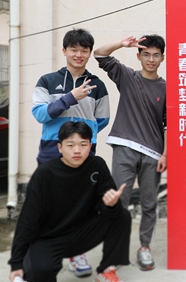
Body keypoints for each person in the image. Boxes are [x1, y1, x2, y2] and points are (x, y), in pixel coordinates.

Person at [8, 121, 130, 282]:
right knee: (39, 273)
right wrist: (16, 263)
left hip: (82, 233)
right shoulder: (45, 173)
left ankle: (106, 271)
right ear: (60, 147)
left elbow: (110, 211)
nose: (77, 150)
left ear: (90, 146)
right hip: (49, 238)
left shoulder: (97, 165)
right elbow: (28, 219)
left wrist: (112, 205)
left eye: (83, 144)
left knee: (122, 216)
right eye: (70, 145)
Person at [31, 28, 110, 277]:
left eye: (84, 50)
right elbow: (40, 114)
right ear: (64, 51)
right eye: (74, 49)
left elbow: (102, 119)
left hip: (84, 155)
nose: (79, 54)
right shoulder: (47, 81)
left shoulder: (98, 85)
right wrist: (69, 98)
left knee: (81, 205)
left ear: (89, 53)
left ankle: (77, 253)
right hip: (51, 151)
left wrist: (84, 140)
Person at [94, 35, 167, 271]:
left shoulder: (167, 88)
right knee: (119, 200)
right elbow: (99, 54)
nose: (151, 59)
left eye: (156, 55)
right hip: (124, 146)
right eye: (146, 54)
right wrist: (121, 44)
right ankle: (115, 250)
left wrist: (166, 154)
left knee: (149, 203)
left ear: (162, 58)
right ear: (138, 56)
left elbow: (169, 125)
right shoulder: (127, 76)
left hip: (153, 153)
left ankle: (144, 247)